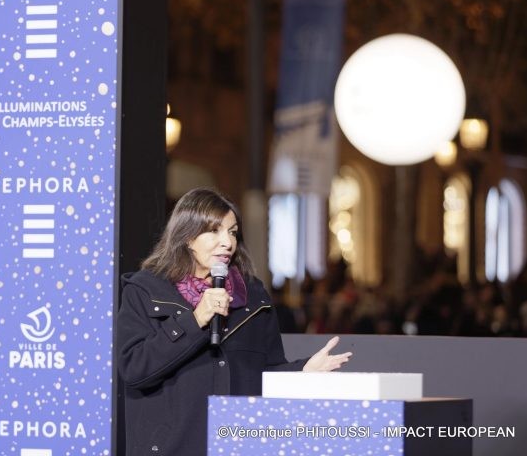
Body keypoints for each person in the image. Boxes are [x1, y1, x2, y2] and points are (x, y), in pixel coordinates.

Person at [116, 187, 352, 455]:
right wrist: (194, 321)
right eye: (214, 231)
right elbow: (134, 368)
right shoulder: (146, 291)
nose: (227, 242)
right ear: (187, 237)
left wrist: (302, 372)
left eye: (232, 232)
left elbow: (263, 374)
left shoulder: (253, 298)